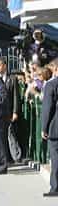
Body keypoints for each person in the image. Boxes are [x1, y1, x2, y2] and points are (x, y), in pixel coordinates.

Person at [0, 57, 20, 163]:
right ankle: (3, 157)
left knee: (11, 134)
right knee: (0, 136)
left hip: (9, 111)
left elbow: (15, 96)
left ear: (5, 65)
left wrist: (15, 111)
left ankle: (16, 156)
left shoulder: (12, 78)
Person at [41, 58, 58, 197]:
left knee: (55, 156)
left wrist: (44, 128)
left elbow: (47, 108)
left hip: (55, 127)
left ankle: (55, 187)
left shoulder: (51, 85)